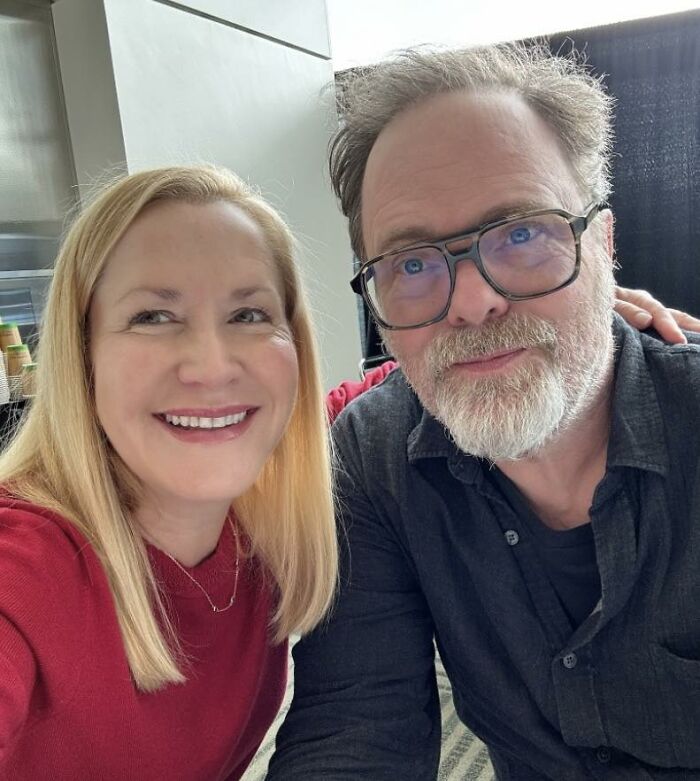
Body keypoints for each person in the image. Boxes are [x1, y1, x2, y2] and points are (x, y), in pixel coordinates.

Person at [268, 43, 700, 779]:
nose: (472, 303)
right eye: (411, 263)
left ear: (602, 242)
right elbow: (356, 725)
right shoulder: (373, 457)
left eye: (521, 233)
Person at [0, 165, 338, 780]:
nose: (211, 368)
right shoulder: (24, 562)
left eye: (248, 315)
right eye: (153, 317)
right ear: (83, 357)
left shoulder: (257, 529)